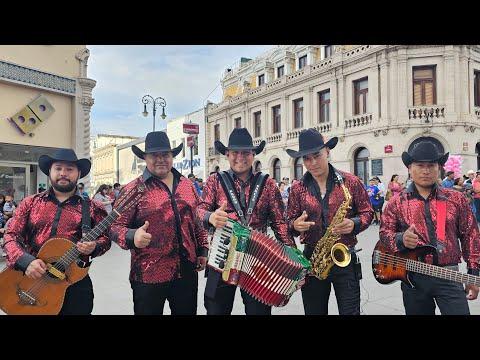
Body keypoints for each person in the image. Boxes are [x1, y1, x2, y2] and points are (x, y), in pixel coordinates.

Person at [197, 128, 295, 315]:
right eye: (235, 152)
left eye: (245, 153)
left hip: (258, 261)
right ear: (227, 154)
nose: (240, 157)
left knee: (259, 311)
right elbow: (198, 211)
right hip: (222, 257)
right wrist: (210, 217)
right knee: (216, 310)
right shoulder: (214, 181)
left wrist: (293, 256)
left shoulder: (268, 183)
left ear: (253, 155)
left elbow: (280, 223)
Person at [110, 131, 208, 315]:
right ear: (145, 158)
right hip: (149, 275)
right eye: (154, 155)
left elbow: (196, 220)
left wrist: (202, 249)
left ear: (172, 157)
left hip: (186, 271)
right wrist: (132, 236)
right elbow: (114, 227)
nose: (161, 159)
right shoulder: (133, 189)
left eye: (166, 154)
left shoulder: (187, 185)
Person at [3, 148, 111, 315]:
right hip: (30, 277)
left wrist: (95, 246)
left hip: (73, 282)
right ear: (50, 171)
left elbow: (106, 239)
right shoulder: (30, 203)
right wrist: (25, 261)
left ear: (78, 173)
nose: (63, 173)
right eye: (58, 168)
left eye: (69, 169)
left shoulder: (92, 207)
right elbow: (11, 235)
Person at [379, 138, 480, 315]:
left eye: (431, 165)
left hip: (449, 275)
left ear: (439, 168)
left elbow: (471, 235)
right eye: (419, 165)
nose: (426, 171)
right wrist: (401, 239)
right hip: (413, 278)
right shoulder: (396, 203)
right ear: (409, 168)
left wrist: (473, 274)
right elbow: (384, 234)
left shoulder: (455, 199)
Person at [285, 128, 373, 315]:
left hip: (345, 258)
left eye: (317, 155)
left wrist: (355, 223)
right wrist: (294, 225)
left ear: (327, 151)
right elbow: (287, 224)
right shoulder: (297, 189)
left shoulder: (351, 182)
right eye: (307, 158)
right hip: (312, 260)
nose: (313, 163)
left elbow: (368, 212)